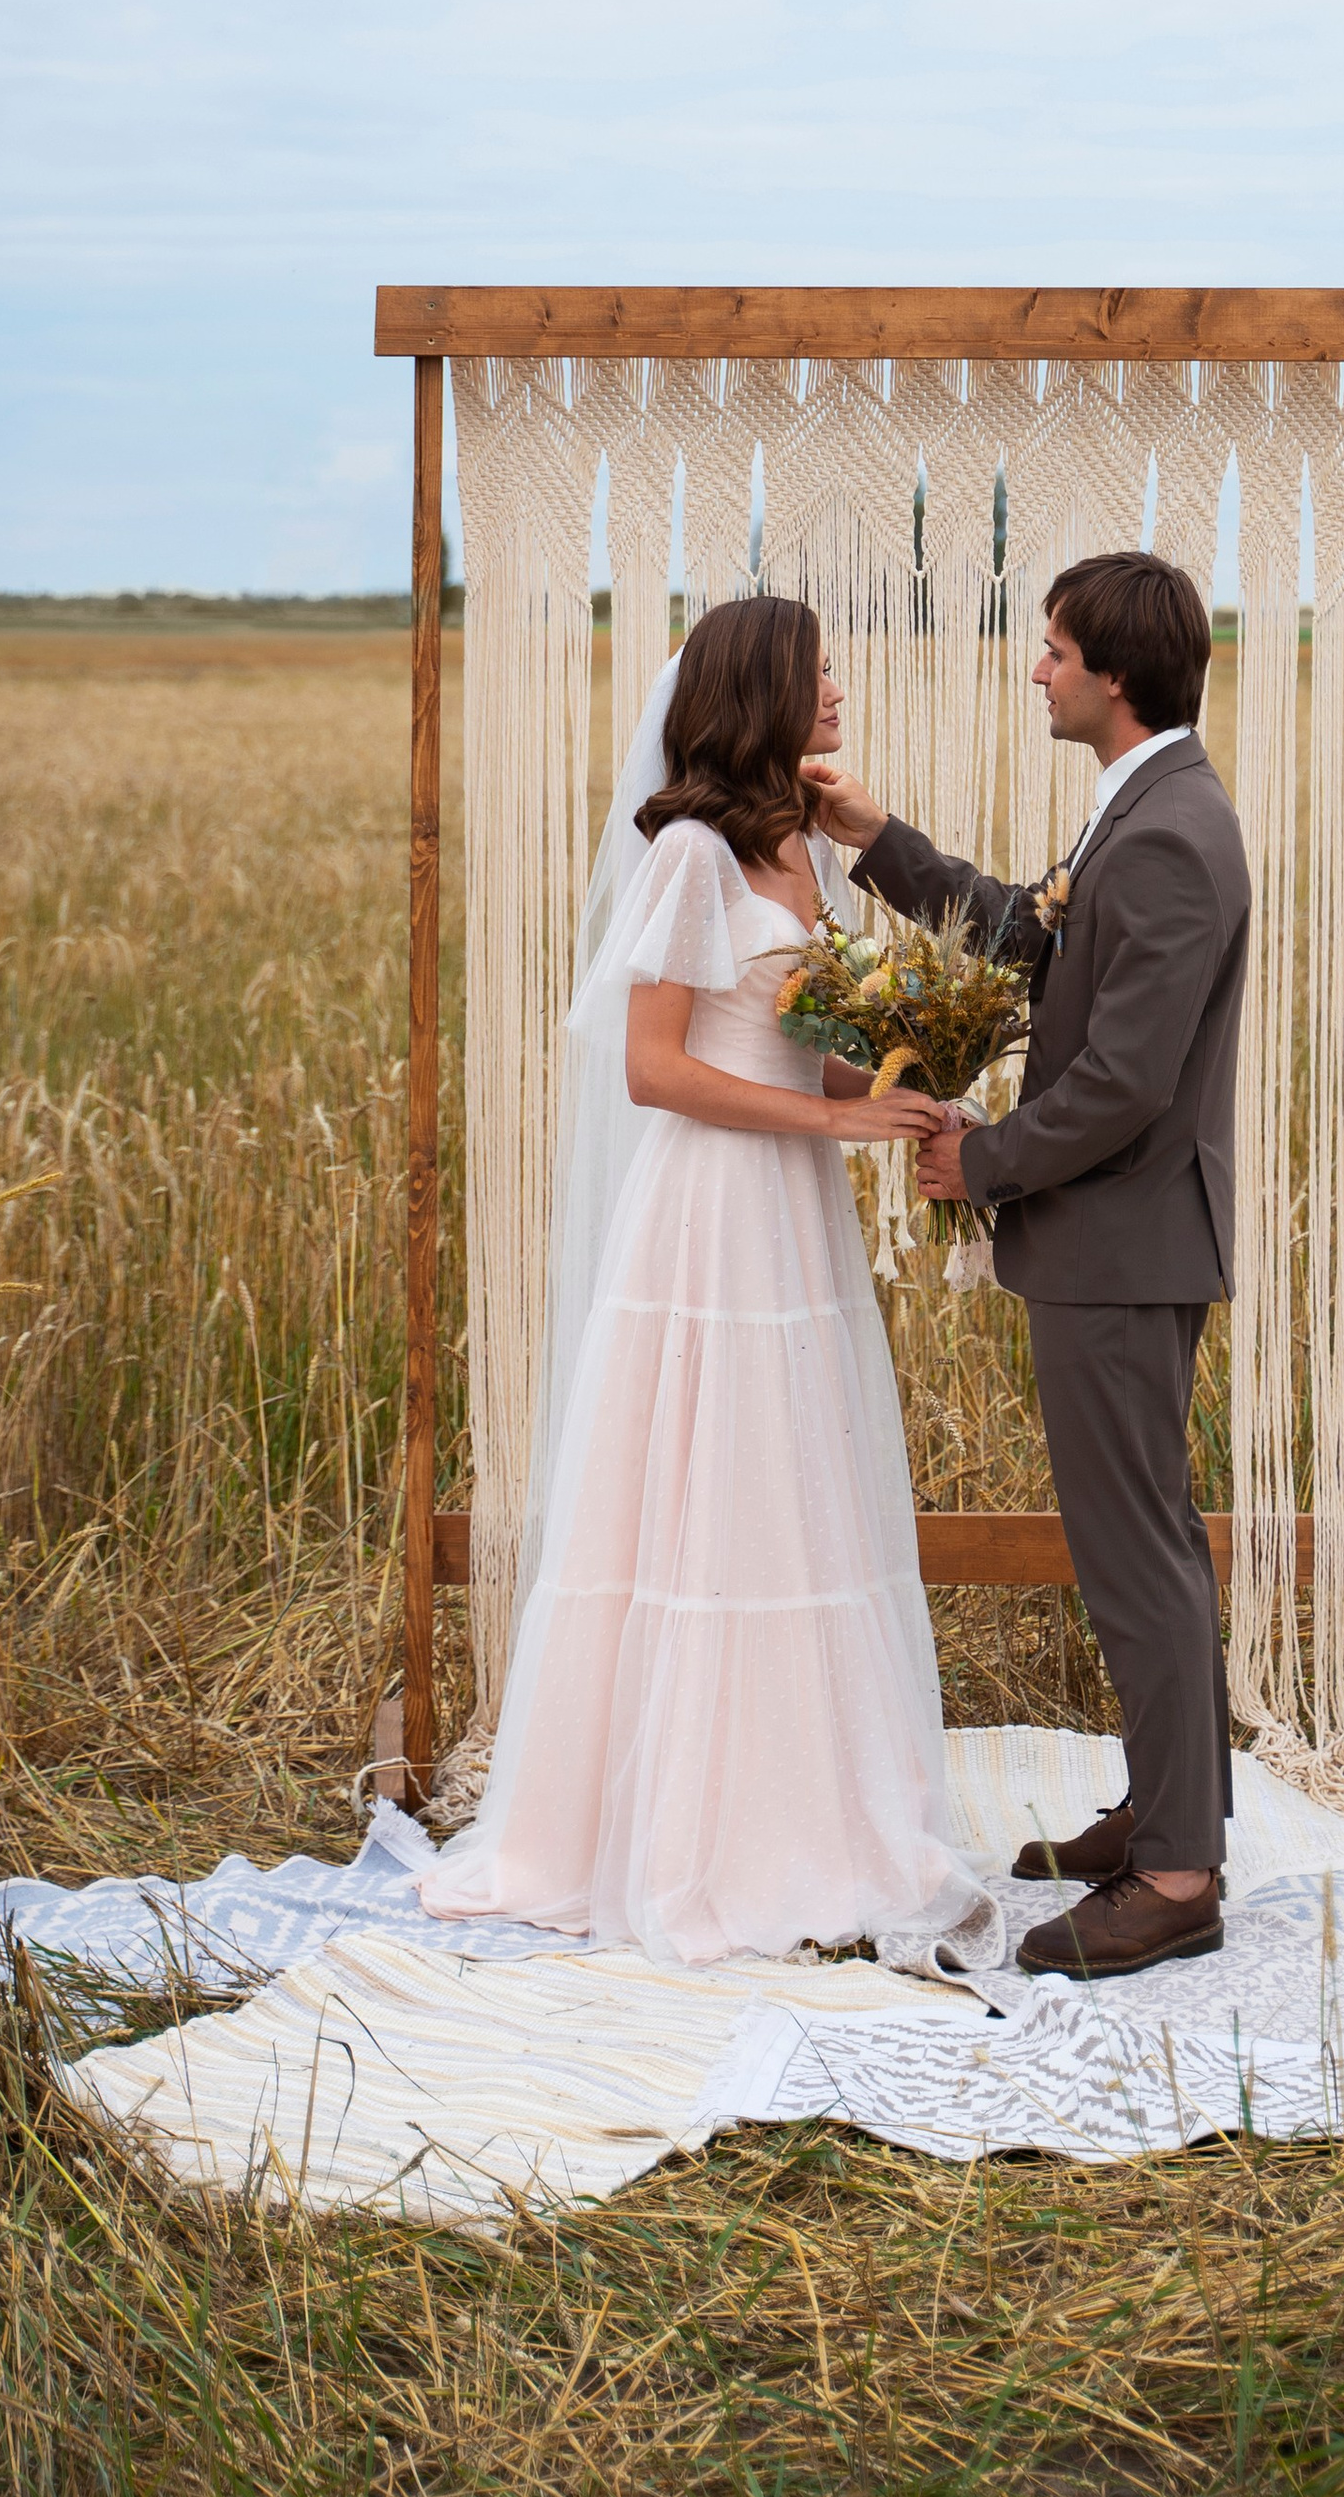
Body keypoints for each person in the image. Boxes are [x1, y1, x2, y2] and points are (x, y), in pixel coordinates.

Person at [418, 596, 978, 1964]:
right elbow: (655, 1068)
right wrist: (840, 1121)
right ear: (763, 692)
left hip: (792, 1210)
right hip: (714, 1209)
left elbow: (797, 1047)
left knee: (789, 1477)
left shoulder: (800, 852)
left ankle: (803, 1807)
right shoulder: (688, 856)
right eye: (819, 673)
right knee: (706, 1482)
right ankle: (681, 1830)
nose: (838, 690)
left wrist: (913, 1081)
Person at [807, 552, 1249, 1982]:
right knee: (1144, 1542)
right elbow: (1036, 943)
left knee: (1136, 1555)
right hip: (1119, 1242)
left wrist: (982, 1161)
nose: (1036, 669)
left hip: (1120, 1247)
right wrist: (879, 837)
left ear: (1114, 674)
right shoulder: (1147, 807)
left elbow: (1124, 1079)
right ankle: (1169, 1815)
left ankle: (1176, 1878)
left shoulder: (1170, 833)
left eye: (1054, 650)